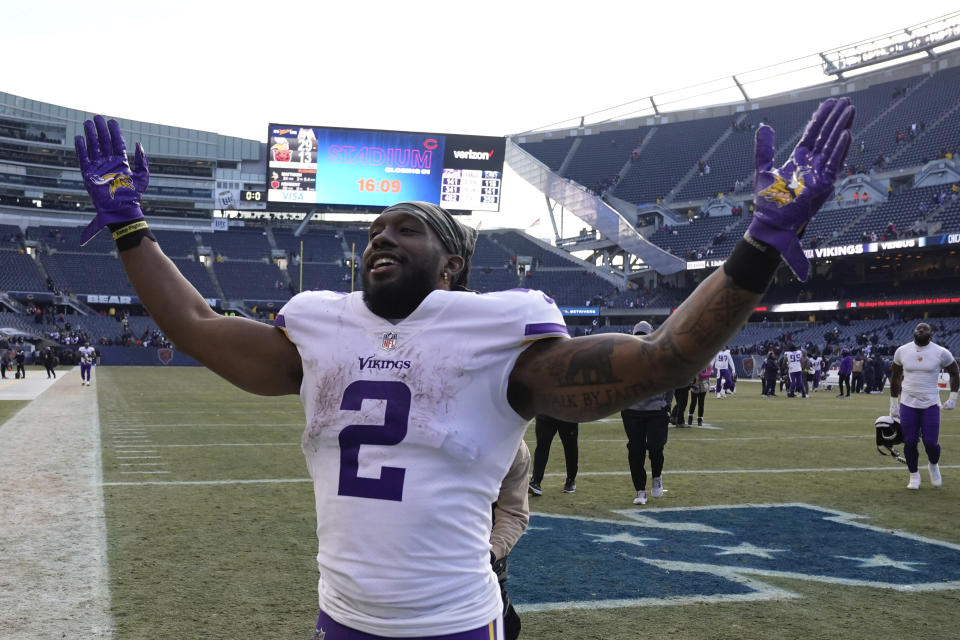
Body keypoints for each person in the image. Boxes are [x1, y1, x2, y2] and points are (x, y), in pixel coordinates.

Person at [73, 100, 852, 638]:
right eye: (374, 230)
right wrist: (131, 227)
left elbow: (662, 362)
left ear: (451, 265)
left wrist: (757, 244)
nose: (380, 236)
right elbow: (196, 325)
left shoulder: (498, 336)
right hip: (340, 614)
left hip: (449, 622)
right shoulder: (320, 325)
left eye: (404, 227)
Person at [889, 322, 959, 490]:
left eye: (925, 328)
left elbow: (955, 373)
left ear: (931, 333)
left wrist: (953, 397)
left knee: (930, 443)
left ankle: (933, 465)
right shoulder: (902, 351)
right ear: (913, 332)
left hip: (931, 404)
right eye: (918, 328)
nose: (921, 330)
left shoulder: (941, 353)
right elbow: (896, 377)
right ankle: (914, 475)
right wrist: (893, 403)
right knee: (910, 442)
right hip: (908, 403)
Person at [620, 321, 673, 504]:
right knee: (635, 450)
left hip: (656, 410)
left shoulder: (660, 357)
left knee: (656, 447)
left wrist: (666, 403)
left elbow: (671, 381)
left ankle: (656, 477)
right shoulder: (625, 358)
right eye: (638, 335)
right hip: (632, 411)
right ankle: (640, 490)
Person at [490, 442, 530, 640]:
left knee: (507, 626)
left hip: (475, 555)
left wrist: (492, 552)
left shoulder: (512, 447)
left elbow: (513, 511)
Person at [528, 414, 579, 495]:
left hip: (567, 414)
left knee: (570, 447)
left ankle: (571, 479)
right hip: (545, 413)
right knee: (542, 446)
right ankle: (536, 482)